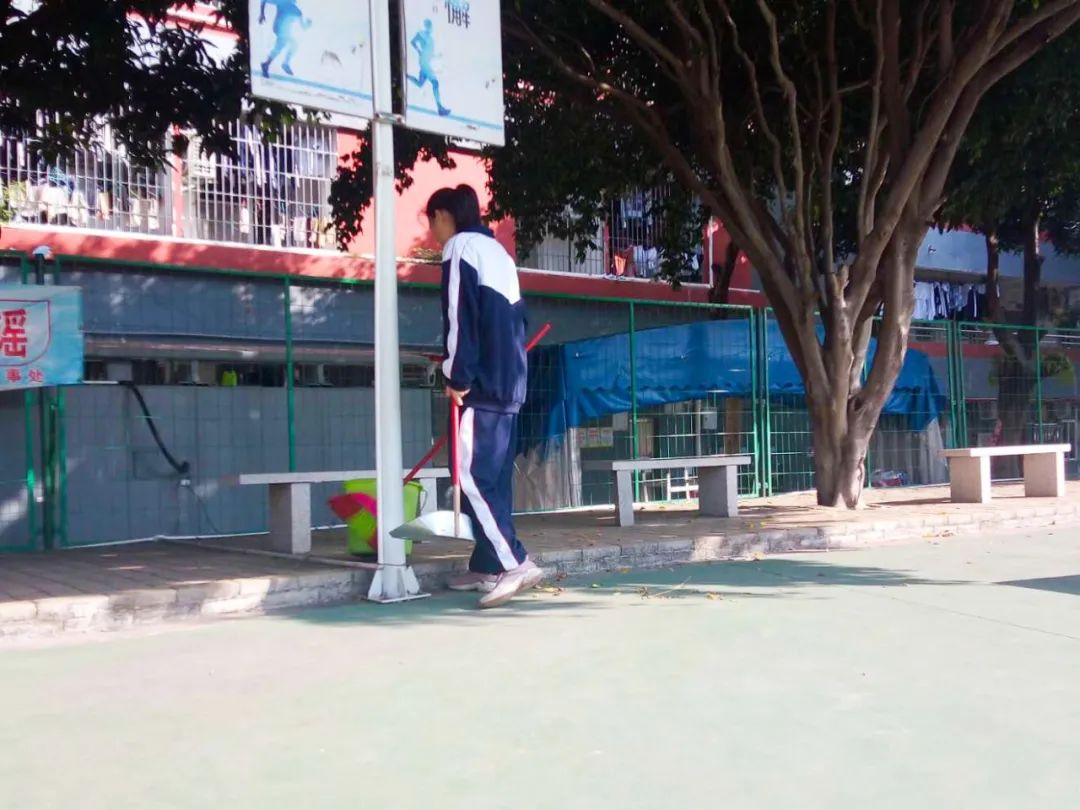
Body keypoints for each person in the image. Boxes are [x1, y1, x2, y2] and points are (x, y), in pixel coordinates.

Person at [427, 185, 543, 608]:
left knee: (473, 475)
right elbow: (515, 319)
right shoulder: (499, 253)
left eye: (433, 223)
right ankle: (488, 563)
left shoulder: (460, 248)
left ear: (444, 216)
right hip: (510, 382)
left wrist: (456, 375)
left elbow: (460, 318)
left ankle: (515, 563)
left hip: (483, 385)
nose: (433, 234)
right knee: (493, 479)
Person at [258, 0, 313, 78]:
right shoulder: (283, 3)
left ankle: (271, 64)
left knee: (292, 44)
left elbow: (303, 27)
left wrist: (307, 24)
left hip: (285, 30)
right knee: (284, 44)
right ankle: (273, 64)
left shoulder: (297, 11)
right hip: (279, 28)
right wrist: (262, 14)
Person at [408, 19, 451, 117]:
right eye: (427, 26)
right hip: (424, 62)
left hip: (426, 62)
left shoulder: (431, 39)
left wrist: (437, 56)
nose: (429, 28)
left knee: (420, 83)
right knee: (435, 83)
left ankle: (405, 75)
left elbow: (430, 53)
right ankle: (440, 108)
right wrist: (419, 51)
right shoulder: (421, 34)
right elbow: (413, 42)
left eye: (430, 26)